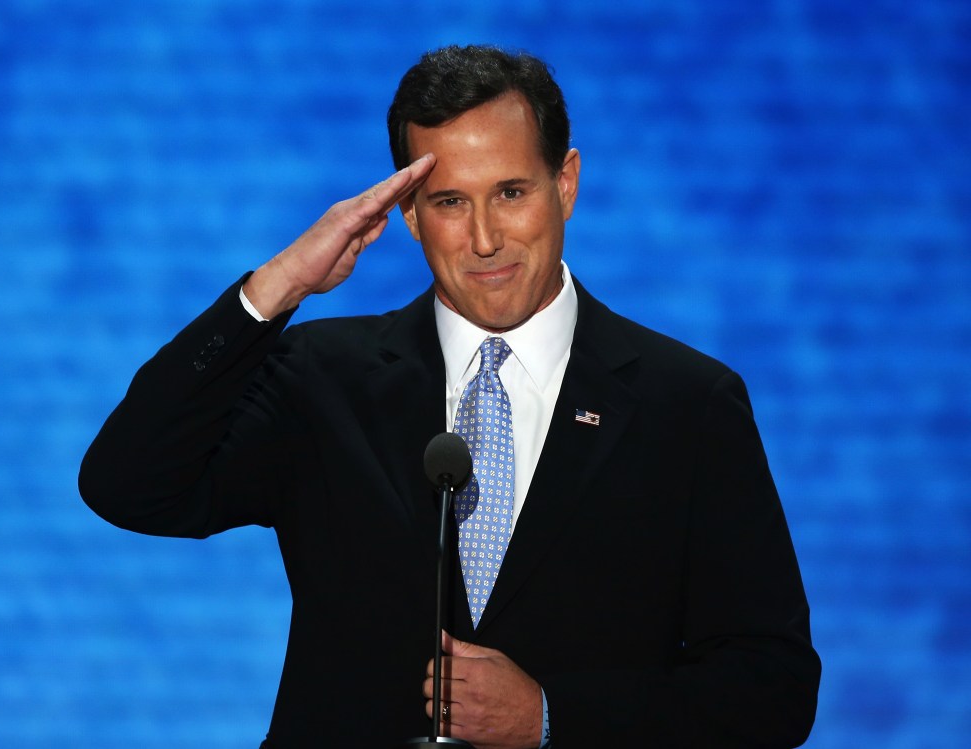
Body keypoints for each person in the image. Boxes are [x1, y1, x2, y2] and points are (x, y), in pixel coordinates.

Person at [79, 45, 820, 748]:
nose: (486, 238)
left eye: (511, 192)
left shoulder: (686, 404)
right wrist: (277, 288)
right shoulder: (321, 376)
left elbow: (773, 686)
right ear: (408, 215)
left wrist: (552, 719)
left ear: (566, 183)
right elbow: (128, 485)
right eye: (449, 202)